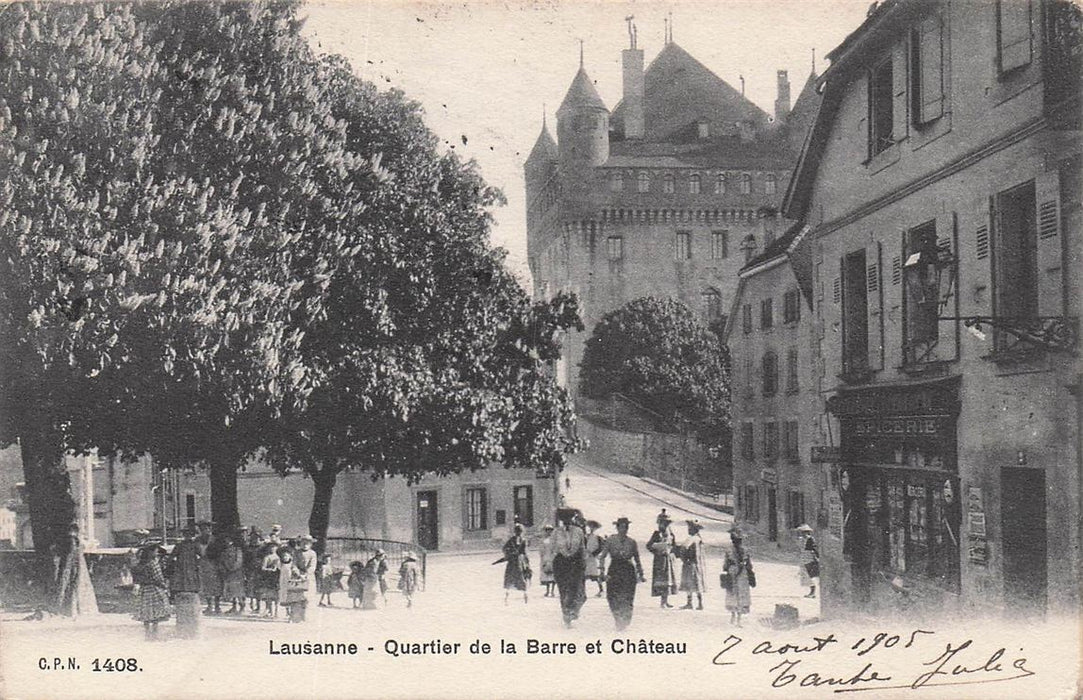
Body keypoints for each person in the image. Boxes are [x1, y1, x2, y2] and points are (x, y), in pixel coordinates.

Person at [603, 517, 645, 631]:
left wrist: (641, 573)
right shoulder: (610, 540)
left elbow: (637, 558)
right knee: (612, 596)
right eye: (622, 527)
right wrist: (602, 572)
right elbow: (603, 556)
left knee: (628, 596)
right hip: (615, 569)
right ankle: (617, 618)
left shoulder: (632, 542)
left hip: (628, 570)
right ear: (617, 528)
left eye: (626, 527)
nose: (624, 530)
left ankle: (625, 620)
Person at [552, 508, 587, 628]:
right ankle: (566, 616)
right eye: (564, 520)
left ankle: (573, 611)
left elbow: (582, 547)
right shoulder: (556, 532)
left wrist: (583, 563)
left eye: (568, 519)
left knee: (576, 589)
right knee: (563, 591)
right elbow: (552, 549)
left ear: (572, 519)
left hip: (575, 563)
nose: (566, 522)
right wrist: (549, 564)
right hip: (561, 564)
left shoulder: (578, 531)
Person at [54, 523, 98, 618]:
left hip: (70, 566)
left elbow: (70, 555)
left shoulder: (71, 540)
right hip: (78, 566)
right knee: (76, 585)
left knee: (68, 585)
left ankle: (68, 609)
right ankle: (76, 609)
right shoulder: (77, 541)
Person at [169, 526, 202, 638]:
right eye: (186, 534)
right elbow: (172, 557)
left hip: (191, 569)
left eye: (190, 534)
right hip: (182, 570)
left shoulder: (195, 545)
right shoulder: (179, 546)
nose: (188, 536)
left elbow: (202, 556)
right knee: (183, 585)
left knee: (191, 586)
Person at [132, 544, 171, 640]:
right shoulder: (153, 563)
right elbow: (158, 578)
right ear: (151, 552)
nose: (156, 553)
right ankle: (154, 634)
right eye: (155, 551)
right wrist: (164, 586)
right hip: (154, 589)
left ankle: (147, 634)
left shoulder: (140, 564)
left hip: (144, 590)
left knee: (146, 612)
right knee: (155, 613)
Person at [646, 510, 678, 608]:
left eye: (666, 523)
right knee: (661, 580)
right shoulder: (657, 534)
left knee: (668, 580)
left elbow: (674, 546)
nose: (664, 525)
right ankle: (662, 602)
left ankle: (666, 600)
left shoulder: (671, 534)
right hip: (660, 560)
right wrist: (657, 549)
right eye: (662, 523)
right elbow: (649, 545)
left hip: (668, 559)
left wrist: (672, 551)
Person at [723, 526, 754, 627]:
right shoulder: (745, 550)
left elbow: (725, 566)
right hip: (742, 574)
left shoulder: (728, 551)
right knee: (741, 594)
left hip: (732, 572)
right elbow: (749, 565)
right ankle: (739, 619)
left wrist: (729, 568)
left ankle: (733, 616)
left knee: (733, 593)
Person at [678, 519, 707, 610]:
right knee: (697, 583)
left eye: (689, 528)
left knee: (689, 583)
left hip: (690, 564)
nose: (688, 530)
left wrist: (683, 558)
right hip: (698, 564)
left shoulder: (691, 539)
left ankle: (689, 603)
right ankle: (700, 603)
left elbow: (683, 548)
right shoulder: (699, 538)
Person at [500, 523, 531, 605]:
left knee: (514, 579)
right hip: (516, 562)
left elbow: (505, 549)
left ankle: (522, 597)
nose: (518, 533)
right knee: (518, 578)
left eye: (519, 531)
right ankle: (521, 598)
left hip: (517, 562)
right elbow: (505, 549)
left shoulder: (518, 540)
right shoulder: (516, 540)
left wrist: (509, 554)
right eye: (518, 531)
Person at [196, 522, 222, 615]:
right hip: (204, 564)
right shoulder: (198, 540)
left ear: (209, 529)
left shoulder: (215, 540)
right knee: (206, 585)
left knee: (216, 585)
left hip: (214, 564)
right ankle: (209, 606)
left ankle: (217, 606)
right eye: (202, 529)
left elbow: (219, 552)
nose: (204, 531)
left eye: (206, 529)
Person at [218, 534, 246, 615]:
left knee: (239, 591)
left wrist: (233, 568)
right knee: (231, 591)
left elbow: (239, 561)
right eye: (226, 541)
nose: (227, 542)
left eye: (229, 540)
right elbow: (222, 561)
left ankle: (242, 607)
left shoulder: (238, 550)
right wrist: (225, 569)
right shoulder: (224, 551)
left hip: (237, 573)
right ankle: (234, 607)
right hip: (228, 573)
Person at [277, 547, 307, 622]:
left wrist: (300, 576)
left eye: (286, 556)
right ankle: (287, 612)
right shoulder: (280, 564)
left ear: (290, 556)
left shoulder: (292, 565)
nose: (285, 558)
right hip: (283, 583)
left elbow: (295, 571)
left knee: (291, 598)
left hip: (291, 583)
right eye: (283, 556)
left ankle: (291, 615)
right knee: (284, 598)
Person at [257, 542, 281, 618]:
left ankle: (276, 612)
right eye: (271, 547)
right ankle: (269, 610)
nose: (272, 549)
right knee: (268, 595)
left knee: (277, 595)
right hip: (268, 577)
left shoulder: (278, 558)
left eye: (274, 547)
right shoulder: (267, 557)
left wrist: (277, 568)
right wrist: (270, 569)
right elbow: (263, 567)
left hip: (276, 578)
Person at [584, 520, 607, 597]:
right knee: (584, 575)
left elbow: (601, 547)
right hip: (587, 557)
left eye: (593, 527)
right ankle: (582, 591)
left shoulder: (598, 537)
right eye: (590, 526)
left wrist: (594, 553)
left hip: (594, 558)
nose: (591, 528)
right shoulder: (586, 536)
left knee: (596, 575)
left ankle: (601, 590)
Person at [797, 524, 819, 598]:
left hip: (809, 557)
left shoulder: (810, 539)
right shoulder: (801, 539)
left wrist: (816, 556)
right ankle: (811, 591)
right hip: (803, 557)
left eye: (805, 532)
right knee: (805, 575)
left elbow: (814, 548)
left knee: (810, 575)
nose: (803, 533)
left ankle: (813, 592)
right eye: (802, 532)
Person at [538, 524, 556, 598]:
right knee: (546, 575)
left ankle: (552, 591)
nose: (549, 532)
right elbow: (541, 550)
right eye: (547, 530)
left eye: (550, 530)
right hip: (545, 558)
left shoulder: (554, 540)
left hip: (552, 558)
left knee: (553, 575)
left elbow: (556, 549)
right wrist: (542, 558)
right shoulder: (543, 540)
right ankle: (547, 591)